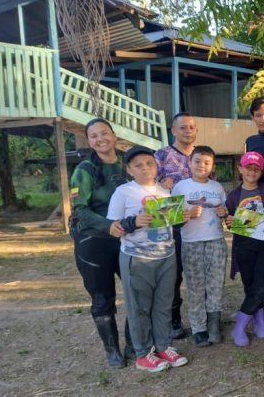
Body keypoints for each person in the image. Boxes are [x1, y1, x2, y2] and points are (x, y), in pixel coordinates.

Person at [107, 146, 190, 372]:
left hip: (166, 255)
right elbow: (114, 228)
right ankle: (143, 353)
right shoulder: (123, 192)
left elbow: (171, 223)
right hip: (137, 258)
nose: (145, 169)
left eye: (149, 164)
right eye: (138, 165)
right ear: (129, 169)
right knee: (139, 307)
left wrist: (181, 218)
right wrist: (133, 222)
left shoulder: (164, 192)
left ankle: (163, 346)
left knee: (163, 304)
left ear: (156, 166)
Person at [69, 118, 129, 368]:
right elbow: (79, 208)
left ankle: (136, 342)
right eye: (93, 136)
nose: (100, 139)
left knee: (137, 292)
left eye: (104, 133)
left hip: (127, 238)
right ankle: (112, 349)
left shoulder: (129, 163)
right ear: (89, 141)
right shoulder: (84, 169)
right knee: (103, 297)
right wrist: (107, 225)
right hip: (94, 241)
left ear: (114, 136)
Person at [171, 146, 228, 347]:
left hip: (216, 241)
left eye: (206, 162)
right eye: (197, 161)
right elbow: (172, 218)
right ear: (189, 162)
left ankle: (214, 324)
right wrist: (186, 216)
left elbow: (227, 213)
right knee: (195, 286)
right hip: (191, 243)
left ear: (212, 166)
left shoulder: (217, 187)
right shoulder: (180, 187)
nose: (201, 166)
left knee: (215, 284)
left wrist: (224, 212)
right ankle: (198, 327)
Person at [155, 112, 199, 339]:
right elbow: (148, 189)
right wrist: (161, 187)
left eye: (191, 127)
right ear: (173, 130)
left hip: (199, 225)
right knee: (173, 275)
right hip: (173, 225)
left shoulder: (201, 156)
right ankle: (173, 320)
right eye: (182, 127)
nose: (187, 131)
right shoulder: (162, 155)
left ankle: (201, 318)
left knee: (197, 273)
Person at [225, 151, 264, 346]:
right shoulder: (233, 196)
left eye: (256, 169)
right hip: (244, 247)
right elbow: (231, 223)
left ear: (261, 172)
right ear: (240, 169)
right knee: (250, 287)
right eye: (248, 168)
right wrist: (229, 220)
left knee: (262, 285)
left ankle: (239, 327)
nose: (252, 172)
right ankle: (259, 321)